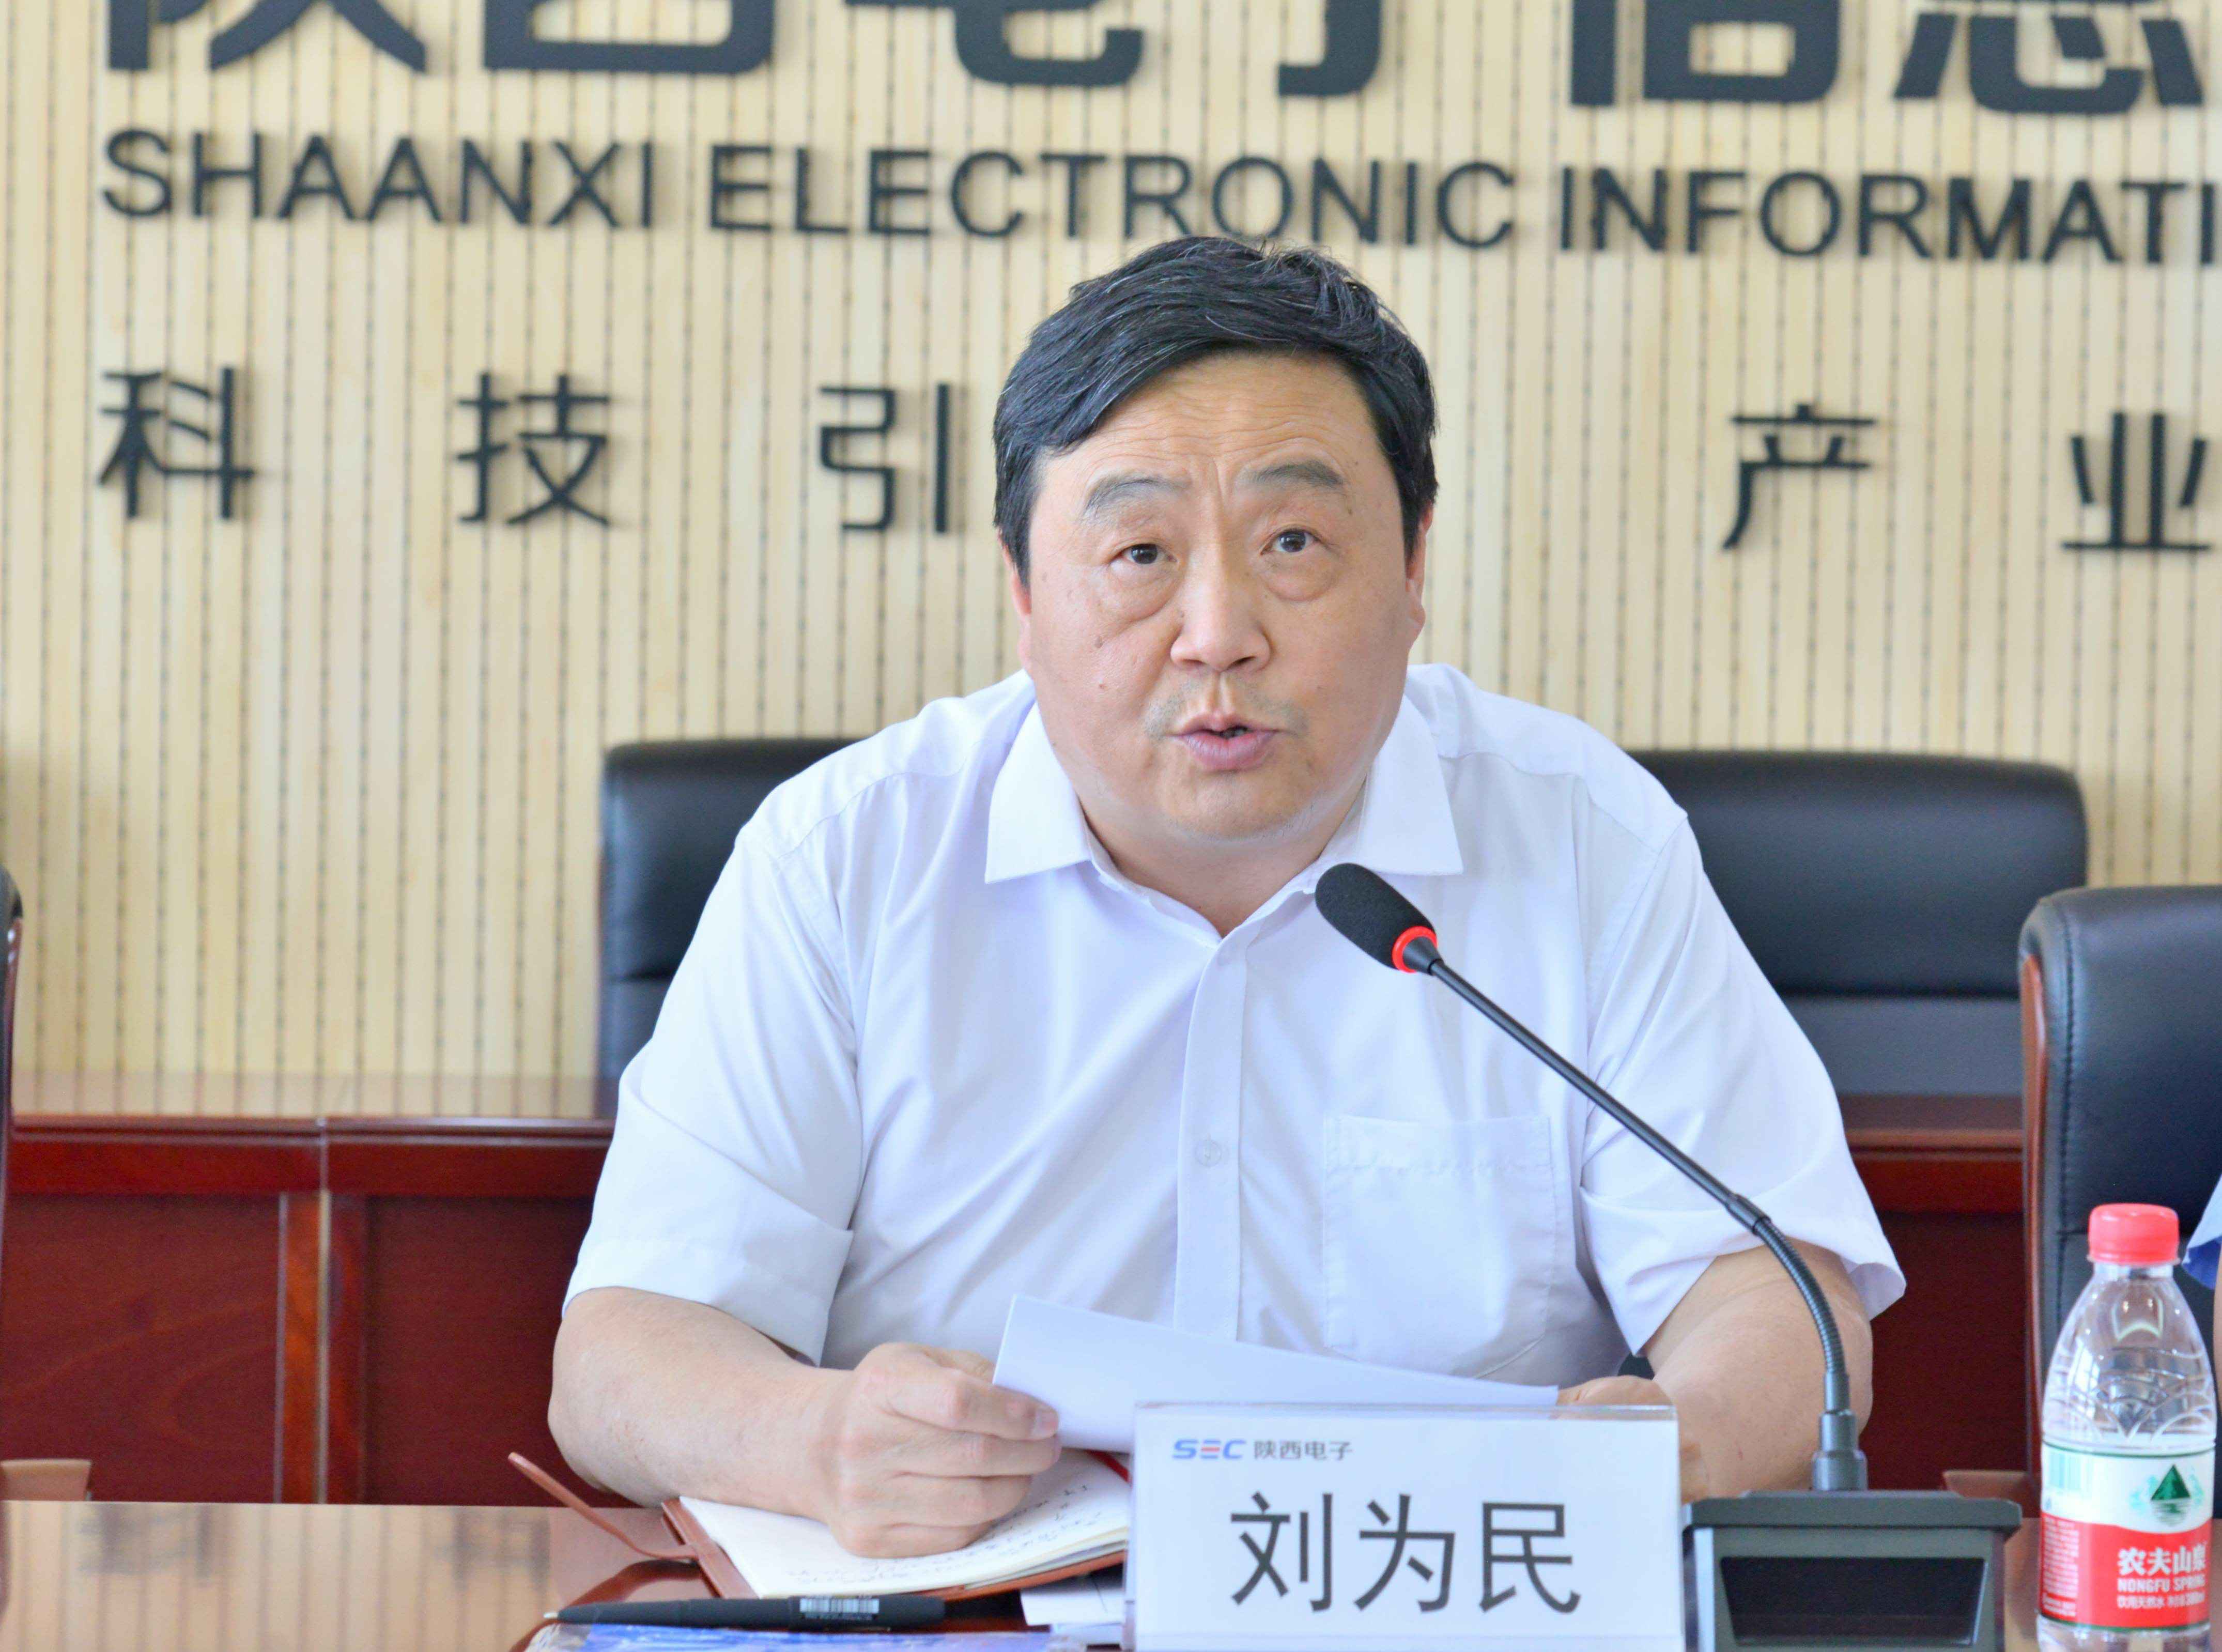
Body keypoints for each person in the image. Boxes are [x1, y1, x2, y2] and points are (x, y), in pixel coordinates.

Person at [550, 237, 1901, 1557]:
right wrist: (818, 1440)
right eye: (1139, 554)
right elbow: (620, 1357)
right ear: (1022, 590)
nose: (1217, 634)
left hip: (1431, 1600)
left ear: (1413, 569)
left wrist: (1684, 1447)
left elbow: (1778, 1298)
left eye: (1293, 541)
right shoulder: (846, 856)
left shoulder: (1581, 836)